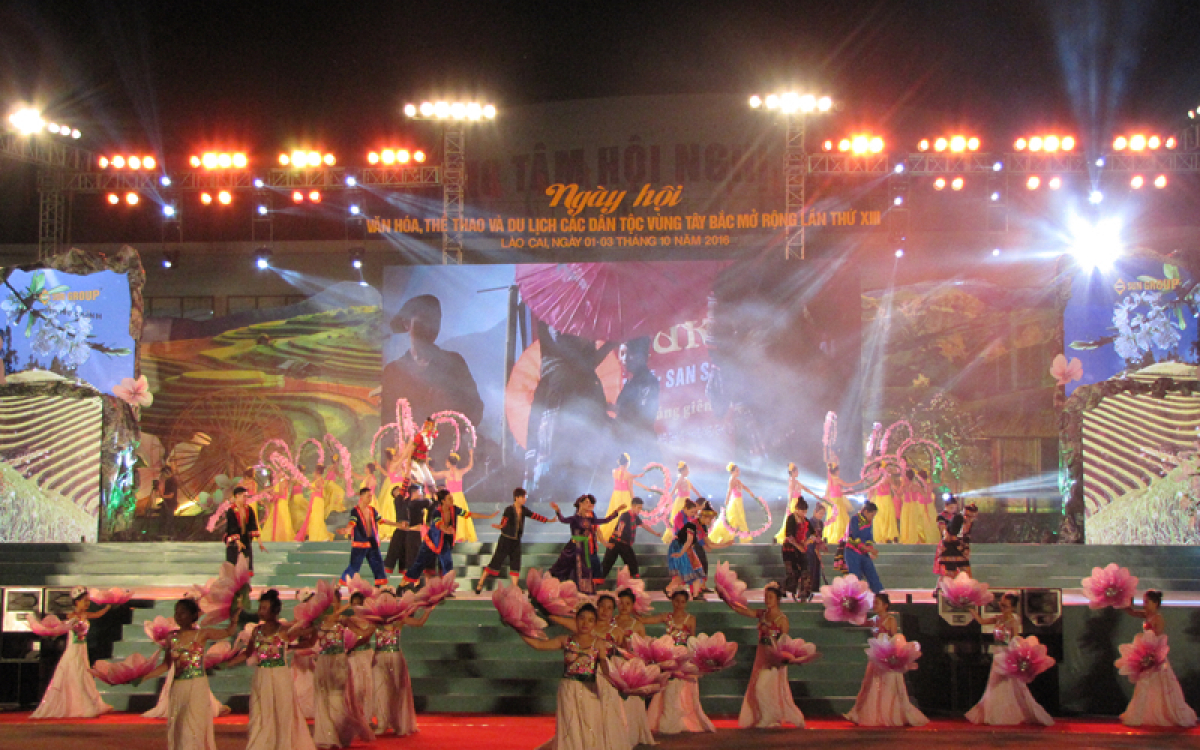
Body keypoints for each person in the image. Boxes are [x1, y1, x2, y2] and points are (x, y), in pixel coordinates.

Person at [380, 293, 483, 455]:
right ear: (406, 323)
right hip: (406, 459)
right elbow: (386, 422)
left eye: (435, 322)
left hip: (447, 457)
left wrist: (451, 406)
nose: (429, 328)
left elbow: (476, 410)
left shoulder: (454, 364)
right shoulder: (393, 372)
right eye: (423, 321)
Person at [138, 597, 242, 750]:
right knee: (179, 727)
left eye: (183, 613)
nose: (178, 616)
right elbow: (166, 665)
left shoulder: (202, 634)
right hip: (178, 687)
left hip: (197, 686)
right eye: (176, 612)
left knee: (193, 726)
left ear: (193, 615)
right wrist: (144, 677)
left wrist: (234, 618)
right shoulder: (171, 637)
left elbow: (228, 632)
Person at [519, 604, 621, 750]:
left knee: (590, 726)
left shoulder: (598, 643)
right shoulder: (565, 640)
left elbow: (604, 664)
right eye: (582, 618)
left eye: (590, 620)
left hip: (590, 689)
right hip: (568, 689)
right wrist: (518, 629)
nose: (585, 623)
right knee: (569, 727)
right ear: (576, 620)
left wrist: (613, 678)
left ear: (595, 624)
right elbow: (539, 645)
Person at [234, 590, 317, 750]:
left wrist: (310, 631)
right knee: (261, 712)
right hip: (262, 676)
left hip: (280, 675)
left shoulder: (285, 630)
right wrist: (227, 662)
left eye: (264, 608)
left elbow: (310, 640)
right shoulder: (257, 631)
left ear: (275, 611)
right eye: (260, 608)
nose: (261, 611)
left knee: (282, 712)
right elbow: (248, 653)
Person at [296, 589, 374, 749]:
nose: (331, 605)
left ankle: (343, 731)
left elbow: (362, 633)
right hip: (323, 663)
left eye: (334, 601)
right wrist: (289, 644)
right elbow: (309, 642)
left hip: (339, 662)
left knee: (337, 700)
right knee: (322, 700)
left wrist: (375, 624)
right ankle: (326, 738)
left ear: (339, 603)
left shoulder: (343, 620)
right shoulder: (318, 623)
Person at [966, 592, 1054, 726]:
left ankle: (1007, 713)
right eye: (1001, 605)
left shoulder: (1013, 621)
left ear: (1012, 608)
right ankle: (995, 713)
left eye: (1005, 606)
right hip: (997, 655)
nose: (1002, 608)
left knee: (1009, 685)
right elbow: (981, 621)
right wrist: (971, 608)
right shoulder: (999, 618)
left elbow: (1015, 641)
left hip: (1007, 656)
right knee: (995, 685)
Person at [846, 594, 928, 727]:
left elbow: (895, 639)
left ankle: (889, 714)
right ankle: (869, 714)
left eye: (877, 603)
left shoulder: (890, 620)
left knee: (888, 685)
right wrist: (851, 610)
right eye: (874, 602)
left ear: (885, 605)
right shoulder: (874, 619)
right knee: (871, 685)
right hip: (876, 657)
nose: (874, 605)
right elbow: (860, 622)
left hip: (888, 658)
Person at [730, 582, 805, 728]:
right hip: (762, 655)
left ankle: (769, 717)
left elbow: (784, 643)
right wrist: (728, 600)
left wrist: (778, 654)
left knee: (762, 686)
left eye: (770, 597)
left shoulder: (782, 620)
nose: (767, 599)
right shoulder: (763, 614)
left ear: (777, 599)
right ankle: (770, 717)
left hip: (774, 659)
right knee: (767, 688)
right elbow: (745, 611)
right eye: (765, 596)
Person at [30, 587, 112, 718]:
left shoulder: (85, 615)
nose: (87, 603)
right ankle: (84, 705)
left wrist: (109, 606)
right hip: (73, 649)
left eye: (88, 601)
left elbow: (98, 614)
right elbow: (59, 627)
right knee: (75, 674)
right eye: (84, 601)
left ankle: (85, 704)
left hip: (82, 649)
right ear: (77, 602)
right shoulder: (70, 616)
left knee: (83, 674)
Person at [1121, 590, 1197, 727]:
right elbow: (1130, 611)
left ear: (1155, 603)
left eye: (1147, 602)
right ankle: (1143, 714)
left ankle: (1165, 714)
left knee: (1159, 686)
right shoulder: (1147, 615)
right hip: (1147, 656)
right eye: (1144, 601)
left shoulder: (1158, 618)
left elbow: (1159, 639)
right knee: (1145, 686)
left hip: (1155, 657)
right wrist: (1127, 599)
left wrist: (1152, 657)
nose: (1144, 604)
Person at [645, 591, 714, 734]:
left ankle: (682, 720)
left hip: (684, 657)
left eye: (682, 601)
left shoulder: (690, 619)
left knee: (684, 690)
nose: (679, 604)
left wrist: (694, 658)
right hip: (669, 656)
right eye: (677, 601)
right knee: (668, 687)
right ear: (672, 601)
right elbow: (647, 620)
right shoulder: (666, 617)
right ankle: (667, 719)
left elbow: (692, 639)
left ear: (686, 603)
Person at [402, 488, 496, 589]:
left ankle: (446, 588)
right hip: (431, 542)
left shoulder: (454, 509)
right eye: (449, 498)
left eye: (452, 498)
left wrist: (488, 517)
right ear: (443, 501)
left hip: (444, 541)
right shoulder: (437, 512)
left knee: (447, 564)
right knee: (419, 565)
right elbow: (439, 525)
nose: (452, 500)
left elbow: (468, 514)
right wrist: (446, 530)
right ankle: (402, 585)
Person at [372, 593, 433, 736]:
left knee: (398, 690)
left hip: (395, 656)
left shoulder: (399, 620)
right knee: (379, 690)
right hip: (379, 657)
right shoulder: (375, 620)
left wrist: (427, 611)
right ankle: (382, 723)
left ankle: (399, 724)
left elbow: (419, 623)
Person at [476, 488, 554, 593]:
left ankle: (515, 587)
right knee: (495, 561)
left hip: (516, 541)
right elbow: (504, 521)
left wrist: (548, 520)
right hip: (505, 540)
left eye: (525, 497)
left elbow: (535, 516)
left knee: (516, 563)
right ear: (517, 498)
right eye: (523, 497)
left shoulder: (524, 510)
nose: (525, 499)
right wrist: (500, 526)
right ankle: (480, 582)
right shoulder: (509, 509)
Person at [549, 494, 625, 595]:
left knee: (584, 569)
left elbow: (605, 520)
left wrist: (617, 510)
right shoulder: (575, 518)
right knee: (570, 568)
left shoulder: (590, 519)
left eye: (589, 502)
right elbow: (563, 520)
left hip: (584, 548)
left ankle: (583, 590)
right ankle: (567, 590)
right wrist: (558, 510)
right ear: (580, 504)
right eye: (586, 502)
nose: (589, 504)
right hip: (574, 547)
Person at [337, 488, 405, 586]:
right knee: (354, 566)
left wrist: (397, 524)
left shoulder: (372, 510)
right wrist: (347, 530)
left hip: (372, 542)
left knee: (378, 565)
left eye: (371, 496)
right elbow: (352, 522)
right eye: (368, 496)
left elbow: (382, 520)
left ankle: (382, 587)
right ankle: (339, 585)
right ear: (361, 496)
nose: (370, 498)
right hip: (360, 543)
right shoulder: (355, 511)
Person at [601, 497, 658, 580]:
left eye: (641, 508)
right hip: (615, 542)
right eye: (638, 508)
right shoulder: (625, 515)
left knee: (632, 563)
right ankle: (596, 580)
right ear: (633, 506)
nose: (639, 510)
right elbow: (621, 524)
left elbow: (644, 526)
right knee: (607, 563)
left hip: (624, 544)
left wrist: (655, 533)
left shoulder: (635, 518)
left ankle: (633, 582)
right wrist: (619, 531)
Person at [599, 454, 648, 541]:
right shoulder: (628, 474)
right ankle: (621, 535)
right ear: (627, 463)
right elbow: (631, 488)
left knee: (614, 513)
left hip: (616, 495)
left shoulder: (614, 471)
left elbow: (632, 480)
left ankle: (610, 534)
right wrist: (634, 501)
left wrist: (643, 486)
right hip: (625, 496)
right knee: (625, 515)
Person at [709, 463, 759, 545]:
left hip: (739, 502)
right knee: (733, 520)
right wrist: (727, 500)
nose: (738, 472)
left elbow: (744, 487)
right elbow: (729, 490)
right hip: (735, 502)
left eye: (739, 470)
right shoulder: (732, 480)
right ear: (732, 472)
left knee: (740, 519)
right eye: (737, 471)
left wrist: (750, 492)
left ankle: (744, 539)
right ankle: (726, 538)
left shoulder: (737, 480)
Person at [431, 450, 476, 542]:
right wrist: (471, 454)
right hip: (459, 497)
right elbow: (470, 466)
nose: (445, 464)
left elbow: (434, 475)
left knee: (451, 515)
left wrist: (426, 468)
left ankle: (454, 534)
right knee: (460, 515)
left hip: (451, 497)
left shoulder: (446, 473)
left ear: (449, 462)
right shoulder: (460, 472)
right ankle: (460, 535)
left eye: (446, 462)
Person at [844, 502, 884, 594]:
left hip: (864, 552)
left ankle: (879, 594)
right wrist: (869, 549)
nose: (872, 518)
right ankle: (855, 596)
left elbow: (869, 537)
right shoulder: (855, 519)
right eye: (872, 515)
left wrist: (870, 549)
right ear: (866, 511)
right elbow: (856, 537)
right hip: (852, 551)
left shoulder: (869, 522)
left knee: (871, 572)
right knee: (855, 576)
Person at [774, 462, 818, 544]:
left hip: (798, 502)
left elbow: (805, 489)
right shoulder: (792, 482)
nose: (798, 473)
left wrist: (815, 495)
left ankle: (797, 536)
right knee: (794, 519)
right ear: (793, 472)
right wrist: (789, 505)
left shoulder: (797, 482)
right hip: (794, 503)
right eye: (797, 471)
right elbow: (790, 494)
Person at [225, 487, 266, 570]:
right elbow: (231, 528)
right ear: (237, 496)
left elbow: (253, 525)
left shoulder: (249, 509)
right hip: (234, 542)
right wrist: (238, 542)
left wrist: (260, 543)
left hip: (246, 540)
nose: (246, 498)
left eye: (247, 496)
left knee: (247, 564)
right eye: (244, 496)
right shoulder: (231, 511)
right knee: (233, 564)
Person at [661, 461, 702, 543]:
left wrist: (701, 498)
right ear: (682, 471)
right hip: (680, 502)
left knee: (689, 518)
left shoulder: (687, 481)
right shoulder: (679, 480)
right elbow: (673, 491)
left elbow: (694, 489)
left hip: (688, 501)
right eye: (687, 470)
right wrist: (667, 502)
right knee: (679, 518)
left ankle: (687, 536)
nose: (688, 472)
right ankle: (676, 536)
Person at [781, 498, 812, 601]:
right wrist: (798, 546)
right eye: (802, 511)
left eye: (805, 512)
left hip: (800, 548)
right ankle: (782, 588)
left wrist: (806, 542)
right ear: (797, 509)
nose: (804, 514)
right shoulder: (791, 518)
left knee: (805, 570)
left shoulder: (805, 520)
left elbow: (813, 533)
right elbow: (789, 535)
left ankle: (803, 592)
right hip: (789, 549)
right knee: (793, 572)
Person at [401, 418, 440, 494]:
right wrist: (408, 463)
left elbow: (426, 452)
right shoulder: (420, 436)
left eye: (434, 427)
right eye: (432, 426)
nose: (434, 429)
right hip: (413, 461)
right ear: (428, 426)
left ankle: (436, 497)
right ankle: (417, 495)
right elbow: (411, 450)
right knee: (421, 478)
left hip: (421, 462)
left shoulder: (429, 438)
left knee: (430, 480)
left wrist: (426, 464)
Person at [382, 482, 412, 574]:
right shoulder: (397, 500)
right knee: (394, 550)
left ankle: (404, 570)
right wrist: (407, 478)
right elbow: (405, 490)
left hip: (407, 530)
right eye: (397, 490)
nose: (399, 491)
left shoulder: (406, 501)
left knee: (405, 551)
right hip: (400, 530)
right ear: (394, 494)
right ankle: (386, 567)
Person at [821, 463, 854, 545]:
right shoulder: (837, 480)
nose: (839, 471)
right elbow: (848, 485)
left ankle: (835, 536)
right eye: (838, 470)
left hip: (834, 502)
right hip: (837, 502)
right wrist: (859, 482)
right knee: (839, 519)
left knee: (836, 518)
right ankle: (840, 537)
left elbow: (828, 493)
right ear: (836, 471)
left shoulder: (830, 481)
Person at [870, 467, 900, 544]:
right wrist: (869, 500)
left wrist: (896, 491)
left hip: (886, 499)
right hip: (880, 500)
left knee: (888, 516)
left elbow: (893, 487)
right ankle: (881, 537)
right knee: (879, 517)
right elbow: (872, 490)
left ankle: (890, 536)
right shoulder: (876, 479)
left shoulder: (887, 478)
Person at [159, 465, 179, 538]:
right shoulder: (169, 481)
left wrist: (162, 496)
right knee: (168, 520)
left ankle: (169, 535)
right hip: (168, 504)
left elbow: (171, 495)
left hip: (170, 504)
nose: (162, 476)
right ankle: (169, 535)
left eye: (163, 474)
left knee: (168, 521)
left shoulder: (172, 481)